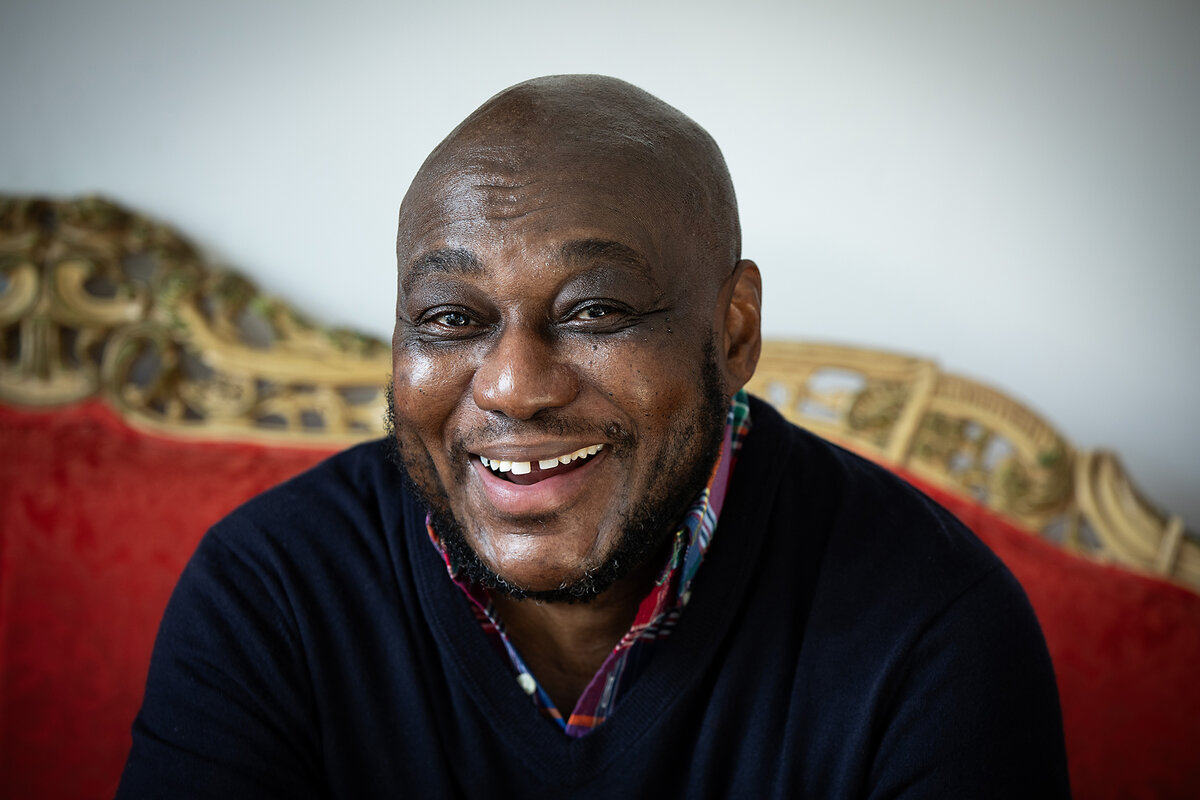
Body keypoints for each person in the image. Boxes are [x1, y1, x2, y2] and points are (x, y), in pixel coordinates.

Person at [118, 75, 1070, 798]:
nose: (511, 386)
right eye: (450, 317)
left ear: (734, 331)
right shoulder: (271, 591)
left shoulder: (932, 631)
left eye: (596, 309)